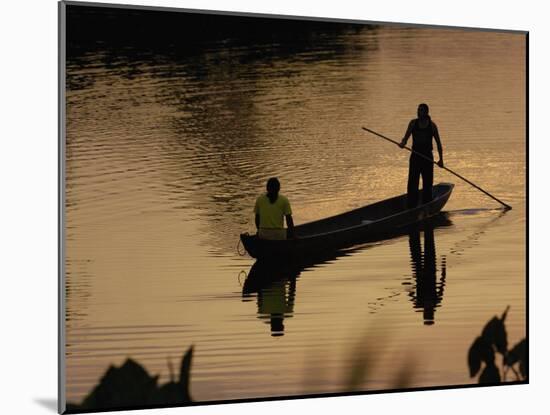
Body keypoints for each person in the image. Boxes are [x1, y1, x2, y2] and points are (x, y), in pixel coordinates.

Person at [399, 103, 444, 208]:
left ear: (426, 112)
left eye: (421, 110)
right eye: (418, 110)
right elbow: (405, 138)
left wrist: (441, 160)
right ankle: (411, 205)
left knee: (427, 183)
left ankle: (427, 204)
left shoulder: (432, 126)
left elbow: (438, 143)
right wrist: (403, 143)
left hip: (427, 157)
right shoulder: (413, 123)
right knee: (412, 182)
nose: (418, 112)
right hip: (415, 156)